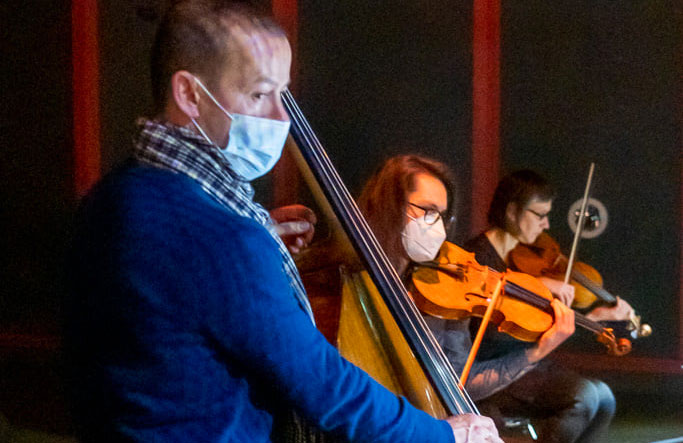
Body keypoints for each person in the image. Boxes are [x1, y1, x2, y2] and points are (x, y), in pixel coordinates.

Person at [64, 2, 502, 442]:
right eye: (259, 94)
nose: (281, 117)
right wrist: (441, 434)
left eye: (283, 94)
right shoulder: (223, 239)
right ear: (189, 94)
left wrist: (260, 242)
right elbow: (321, 381)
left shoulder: (114, 195)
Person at [358, 156, 614, 442]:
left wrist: (581, 322)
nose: (438, 228)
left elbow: (460, 375)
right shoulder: (370, 282)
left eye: (442, 215)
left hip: (461, 394)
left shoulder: (448, 285)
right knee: (586, 396)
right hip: (403, 416)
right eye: (427, 211)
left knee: (603, 397)